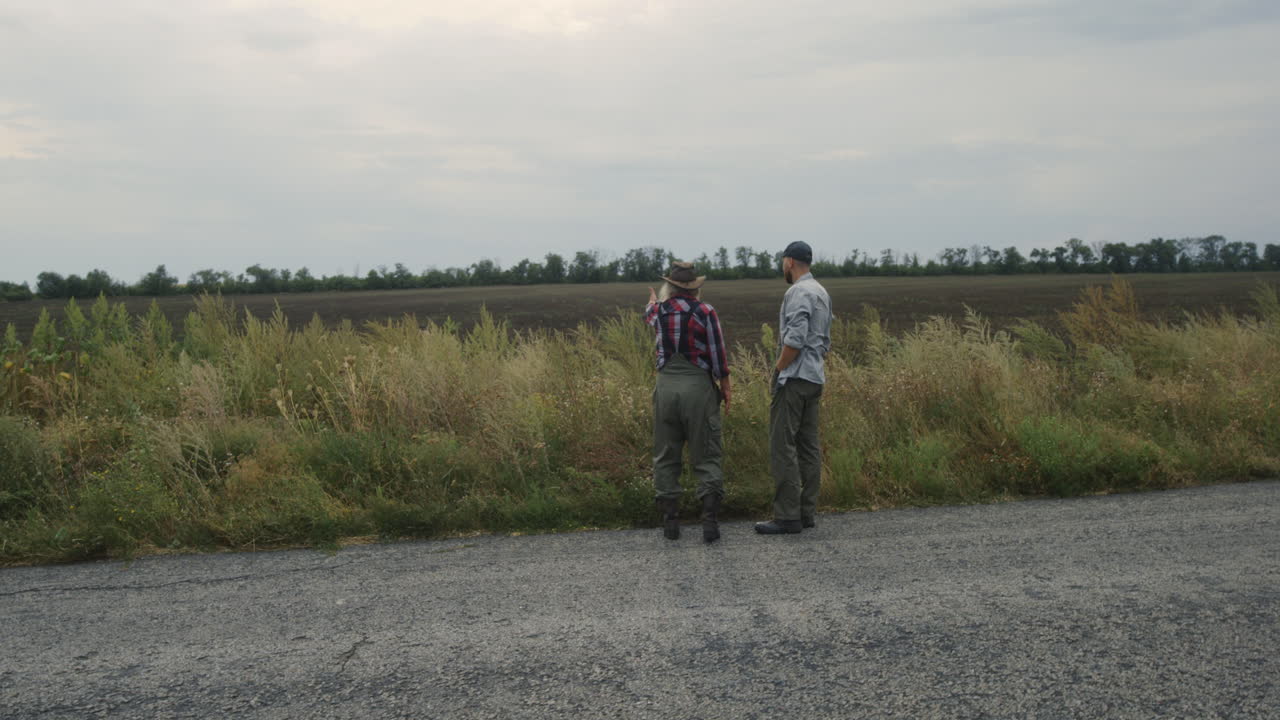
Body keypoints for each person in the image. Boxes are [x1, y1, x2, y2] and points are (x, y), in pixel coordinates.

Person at [645, 262, 733, 543]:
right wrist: (725, 385)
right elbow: (717, 353)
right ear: (695, 288)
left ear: (669, 287)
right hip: (698, 390)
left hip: (666, 389)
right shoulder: (705, 311)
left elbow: (649, 312)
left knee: (665, 454)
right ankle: (709, 523)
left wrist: (653, 301)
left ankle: (671, 523)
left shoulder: (658, 311)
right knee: (706, 454)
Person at [756, 241, 831, 535]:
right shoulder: (821, 291)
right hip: (815, 377)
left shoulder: (798, 292)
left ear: (789, 262)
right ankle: (806, 512)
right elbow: (823, 340)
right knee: (808, 446)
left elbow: (795, 340)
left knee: (782, 444)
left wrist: (778, 370)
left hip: (795, 378)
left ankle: (787, 516)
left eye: (782, 262)